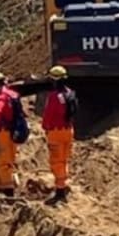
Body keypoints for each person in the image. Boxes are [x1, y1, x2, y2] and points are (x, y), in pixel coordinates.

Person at [42, 65, 76, 205]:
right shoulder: (70, 93)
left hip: (55, 132)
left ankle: (60, 191)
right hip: (68, 130)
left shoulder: (54, 97)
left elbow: (48, 116)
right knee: (64, 159)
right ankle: (63, 183)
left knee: (57, 162)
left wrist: (45, 127)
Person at [0, 71, 20, 197]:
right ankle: (2, 186)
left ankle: (7, 190)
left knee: (2, 161)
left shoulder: (1, 96)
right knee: (10, 159)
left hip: (4, 132)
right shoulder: (14, 94)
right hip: (14, 132)